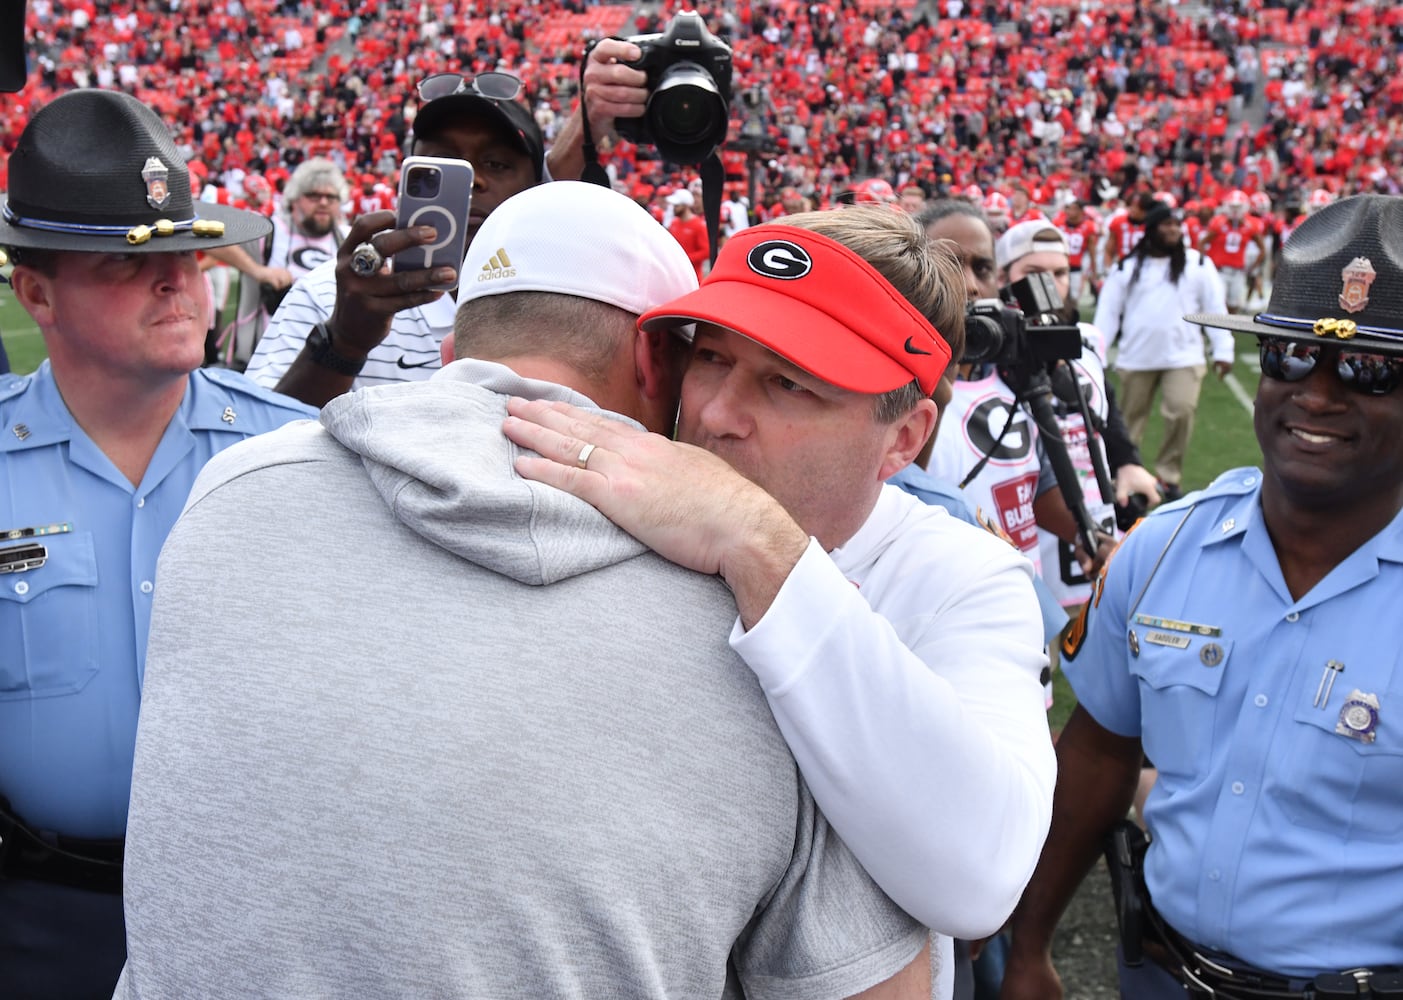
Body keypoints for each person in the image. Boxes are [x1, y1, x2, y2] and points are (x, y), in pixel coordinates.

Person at [117, 181, 930, 1000]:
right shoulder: (763, 616)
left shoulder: (231, 496)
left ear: (451, 360)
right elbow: (873, 984)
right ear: (656, 361)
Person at [501, 205, 1058, 999]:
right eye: (712, 358)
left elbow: (981, 878)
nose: (716, 414)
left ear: (903, 438)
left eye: (787, 384)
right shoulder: (612, 496)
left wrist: (761, 544)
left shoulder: (957, 576)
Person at [1002, 193, 1403, 1000]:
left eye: (1368, 369)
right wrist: (1028, 943)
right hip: (1157, 973)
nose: (1316, 396)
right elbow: (1099, 752)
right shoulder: (1162, 547)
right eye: (1288, 357)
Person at [0, 89, 316, 1000]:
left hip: (259, 909)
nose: (178, 279)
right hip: (39, 920)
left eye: (185, 250)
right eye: (124, 264)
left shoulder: (294, 455)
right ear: (35, 294)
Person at [244, 47, 640, 408]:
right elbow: (250, 444)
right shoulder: (325, 295)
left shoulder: (573, 308)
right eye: (445, 162)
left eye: (496, 164)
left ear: (536, 188)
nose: (472, 180)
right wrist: (342, 342)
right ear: (406, 179)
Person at [995, 220, 1160, 608]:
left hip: (1090, 505)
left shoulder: (1086, 339)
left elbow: (1104, 410)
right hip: (1021, 513)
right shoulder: (988, 357)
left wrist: (1127, 462)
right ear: (1003, 277)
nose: (1050, 285)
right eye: (1033, 274)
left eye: (1059, 273)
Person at [1093, 202, 1233, 501]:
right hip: (1137, 357)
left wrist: (1224, 349)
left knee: (1181, 411)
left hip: (1185, 356)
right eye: (1166, 225)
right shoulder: (1126, 268)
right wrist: (1096, 353)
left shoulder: (1197, 264)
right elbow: (1108, 313)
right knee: (1128, 421)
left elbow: (1215, 308)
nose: (1174, 230)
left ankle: (1168, 477)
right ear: (1151, 230)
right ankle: (1125, 471)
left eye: (1176, 224)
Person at [666, 187, 710, 279]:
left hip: (692, 277)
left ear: (685, 206)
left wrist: (685, 259)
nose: (674, 208)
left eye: (677, 206)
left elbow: (706, 251)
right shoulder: (674, 223)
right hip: (675, 274)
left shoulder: (698, 225)